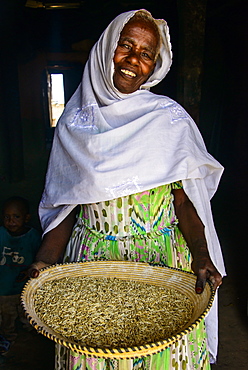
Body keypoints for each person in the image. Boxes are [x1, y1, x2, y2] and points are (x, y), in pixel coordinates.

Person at [28, 9, 226, 370]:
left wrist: (201, 255)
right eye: (126, 46)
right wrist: (45, 261)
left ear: (155, 64)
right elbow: (65, 207)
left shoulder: (168, 120)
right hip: (91, 269)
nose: (134, 60)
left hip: (162, 266)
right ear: (107, 50)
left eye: (146, 53)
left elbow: (184, 204)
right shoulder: (74, 125)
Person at [0, 196, 41, 346]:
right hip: (4, 289)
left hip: (25, 287)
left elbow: (39, 258)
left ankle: (31, 338)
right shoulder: (1, 234)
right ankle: (9, 338)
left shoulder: (33, 236)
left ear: (26, 218)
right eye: (7, 217)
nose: (11, 221)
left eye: (16, 216)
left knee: (28, 315)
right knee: (7, 316)